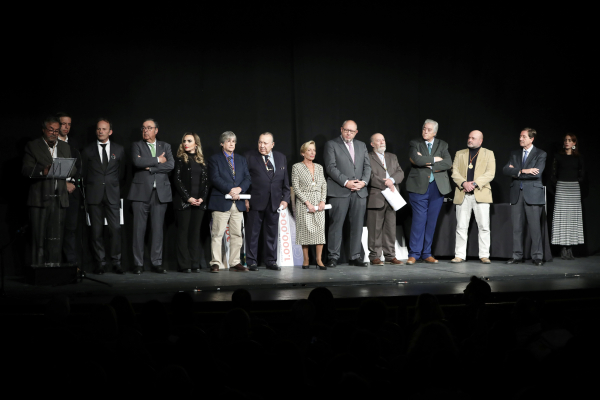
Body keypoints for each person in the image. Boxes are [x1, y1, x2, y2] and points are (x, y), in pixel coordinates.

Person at [22, 116, 75, 265]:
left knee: (56, 239)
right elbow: (26, 170)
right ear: (44, 130)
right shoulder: (33, 146)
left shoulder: (64, 147)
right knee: (39, 239)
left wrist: (67, 170)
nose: (53, 133)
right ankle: (38, 271)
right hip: (40, 199)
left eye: (56, 131)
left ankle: (54, 269)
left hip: (59, 199)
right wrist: (42, 171)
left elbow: (73, 167)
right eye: (51, 130)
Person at [128, 119, 174, 274]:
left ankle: (157, 262)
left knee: (157, 230)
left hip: (160, 194)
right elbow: (137, 162)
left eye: (149, 128)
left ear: (156, 130)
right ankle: (138, 263)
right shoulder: (137, 145)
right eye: (143, 128)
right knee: (138, 230)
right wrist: (158, 160)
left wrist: (152, 168)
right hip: (140, 194)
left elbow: (171, 165)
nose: (145, 130)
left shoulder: (165, 146)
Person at [323, 120, 371, 268]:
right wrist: (346, 182)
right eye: (346, 130)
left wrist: (363, 182)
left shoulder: (361, 145)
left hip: (359, 191)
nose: (348, 133)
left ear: (356, 132)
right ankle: (333, 257)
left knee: (357, 225)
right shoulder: (331, 144)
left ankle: (355, 256)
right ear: (341, 129)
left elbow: (367, 166)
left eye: (352, 131)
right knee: (336, 225)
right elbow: (331, 167)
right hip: (339, 190)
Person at [81, 118, 125, 274]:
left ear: (110, 132)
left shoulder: (119, 150)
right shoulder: (87, 150)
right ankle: (100, 262)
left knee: (115, 230)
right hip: (94, 196)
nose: (100, 131)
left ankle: (116, 262)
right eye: (99, 129)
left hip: (112, 196)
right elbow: (84, 174)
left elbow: (121, 174)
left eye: (104, 129)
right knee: (96, 231)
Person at [406, 119, 452, 265]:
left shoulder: (443, 144)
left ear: (435, 132)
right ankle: (414, 253)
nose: (425, 131)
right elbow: (416, 160)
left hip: (437, 187)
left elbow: (448, 163)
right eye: (424, 128)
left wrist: (427, 162)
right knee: (419, 221)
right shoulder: (415, 143)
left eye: (429, 130)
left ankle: (426, 253)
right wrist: (434, 159)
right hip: (418, 186)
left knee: (431, 222)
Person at [244, 132, 290, 271]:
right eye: (260, 142)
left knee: (272, 233)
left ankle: (271, 261)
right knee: (253, 233)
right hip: (255, 201)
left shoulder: (281, 157)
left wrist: (286, 199)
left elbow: (285, 182)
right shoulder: (249, 157)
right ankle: (252, 261)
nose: (262, 146)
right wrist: (245, 198)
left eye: (265, 143)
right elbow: (244, 179)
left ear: (272, 144)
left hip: (274, 202)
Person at [207, 131, 251, 273]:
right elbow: (215, 178)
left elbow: (247, 178)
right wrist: (231, 190)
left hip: (237, 202)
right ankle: (215, 263)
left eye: (233, 141)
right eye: (228, 141)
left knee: (237, 234)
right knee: (217, 234)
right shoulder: (215, 159)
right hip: (221, 201)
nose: (231, 144)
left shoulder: (241, 159)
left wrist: (239, 189)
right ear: (222, 143)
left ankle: (235, 262)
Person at [502, 127, 547, 266]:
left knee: (535, 227)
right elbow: (505, 170)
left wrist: (516, 172)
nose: (520, 139)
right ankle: (517, 256)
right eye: (520, 136)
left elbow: (537, 174)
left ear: (531, 139)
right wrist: (523, 170)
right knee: (517, 227)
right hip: (517, 193)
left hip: (533, 194)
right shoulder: (515, 154)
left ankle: (537, 256)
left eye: (524, 136)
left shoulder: (540, 153)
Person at [450, 130, 495, 264]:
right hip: (463, 193)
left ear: (480, 141)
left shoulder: (489, 153)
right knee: (461, 227)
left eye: (473, 138)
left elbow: (490, 173)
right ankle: (459, 255)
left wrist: (474, 184)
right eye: (469, 137)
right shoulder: (460, 153)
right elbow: (454, 171)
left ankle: (484, 255)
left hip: (481, 194)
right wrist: (464, 183)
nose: (470, 140)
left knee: (484, 226)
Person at [173, 132, 209, 272]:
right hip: (184, 202)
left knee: (195, 233)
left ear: (196, 143)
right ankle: (184, 265)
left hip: (199, 203)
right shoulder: (180, 159)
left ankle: (195, 263)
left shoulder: (202, 161)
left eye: (189, 140)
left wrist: (201, 198)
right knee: (183, 233)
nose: (186, 143)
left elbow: (206, 183)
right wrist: (188, 198)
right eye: (184, 141)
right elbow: (177, 180)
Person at [366, 133, 404, 265]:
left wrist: (392, 180)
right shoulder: (368, 157)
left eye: (383, 139)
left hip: (392, 196)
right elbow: (368, 175)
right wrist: (385, 183)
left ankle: (390, 255)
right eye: (378, 140)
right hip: (376, 195)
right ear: (372, 144)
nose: (382, 142)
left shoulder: (392, 157)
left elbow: (400, 172)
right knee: (375, 228)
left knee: (390, 227)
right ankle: (375, 256)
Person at [291, 140, 327, 269]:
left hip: (318, 202)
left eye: (314, 150)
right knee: (304, 231)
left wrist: (322, 200)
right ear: (303, 153)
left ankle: (319, 260)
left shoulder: (319, 167)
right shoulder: (297, 167)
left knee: (319, 231)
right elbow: (296, 186)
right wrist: (307, 203)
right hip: (304, 202)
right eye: (309, 150)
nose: (312, 153)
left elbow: (323, 185)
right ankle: (306, 259)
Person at [56, 112, 83, 269]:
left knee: (71, 229)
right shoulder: (51, 144)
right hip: (56, 192)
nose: (66, 127)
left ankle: (71, 264)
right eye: (63, 124)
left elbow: (79, 167)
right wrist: (63, 183)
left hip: (72, 193)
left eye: (69, 124)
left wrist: (72, 182)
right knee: (55, 229)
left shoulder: (74, 144)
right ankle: (55, 263)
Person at [551, 133, 584, 259]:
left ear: (574, 143)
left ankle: (570, 248)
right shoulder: (558, 156)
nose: (566, 142)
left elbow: (582, 173)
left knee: (572, 219)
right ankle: (563, 248)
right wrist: (559, 184)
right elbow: (553, 174)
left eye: (570, 140)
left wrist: (576, 182)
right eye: (565, 140)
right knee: (562, 218)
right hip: (562, 188)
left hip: (574, 188)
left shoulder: (579, 158)